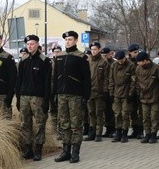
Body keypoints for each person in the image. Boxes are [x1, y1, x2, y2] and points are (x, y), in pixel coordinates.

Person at [53, 31, 91, 163]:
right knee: (64, 124)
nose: (67, 41)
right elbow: (55, 77)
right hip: (62, 94)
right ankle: (65, 151)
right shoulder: (60, 56)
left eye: (70, 39)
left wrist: (85, 96)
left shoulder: (81, 57)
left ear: (75, 41)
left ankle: (75, 153)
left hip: (76, 95)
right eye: (66, 39)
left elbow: (87, 79)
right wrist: (55, 93)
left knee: (76, 125)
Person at [16, 35, 52, 161]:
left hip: (39, 98)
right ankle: (28, 149)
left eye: (32, 44)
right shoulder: (23, 61)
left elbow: (48, 83)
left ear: (37, 44)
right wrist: (19, 98)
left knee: (40, 124)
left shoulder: (44, 61)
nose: (29, 46)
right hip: (24, 97)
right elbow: (19, 81)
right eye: (28, 44)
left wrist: (47, 100)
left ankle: (38, 150)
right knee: (25, 124)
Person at [134, 52, 159, 144]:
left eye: (140, 61)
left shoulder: (156, 68)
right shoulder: (138, 69)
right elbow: (137, 82)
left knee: (154, 117)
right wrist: (138, 93)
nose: (138, 64)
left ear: (145, 60)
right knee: (145, 117)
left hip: (155, 97)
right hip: (144, 97)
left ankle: (153, 134)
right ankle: (147, 134)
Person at [84, 42, 110, 142]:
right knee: (90, 113)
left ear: (99, 49)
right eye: (92, 49)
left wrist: (105, 91)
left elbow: (106, 78)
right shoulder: (88, 61)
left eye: (95, 49)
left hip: (99, 92)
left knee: (99, 113)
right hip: (89, 92)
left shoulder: (104, 62)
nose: (93, 51)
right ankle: (92, 132)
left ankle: (98, 133)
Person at [108, 50, 136, 143]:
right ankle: (118, 131)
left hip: (126, 93)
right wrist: (111, 93)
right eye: (118, 60)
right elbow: (111, 80)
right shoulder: (114, 66)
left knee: (125, 114)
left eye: (121, 60)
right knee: (117, 114)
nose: (120, 62)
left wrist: (131, 93)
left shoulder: (131, 65)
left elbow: (133, 81)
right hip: (116, 93)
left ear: (125, 58)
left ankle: (125, 132)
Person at [127, 43, 143, 139]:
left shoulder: (141, 62)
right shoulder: (128, 63)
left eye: (137, 52)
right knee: (132, 112)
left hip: (141, 91)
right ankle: (134, 129)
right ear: (130, 53)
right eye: (134, 52)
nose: (136, 54)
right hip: (130, 91)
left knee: (141, 113)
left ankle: (140, 131)